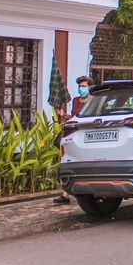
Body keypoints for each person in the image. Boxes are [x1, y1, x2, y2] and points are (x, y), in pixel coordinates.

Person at [52, 75, 94, 205]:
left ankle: (71, 192)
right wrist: (64, 116)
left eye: (83, 86)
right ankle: (66, 193)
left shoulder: (93, 100)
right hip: (75, 133)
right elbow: (74, 116)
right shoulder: (76, 100)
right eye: (80, 86)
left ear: (89, 87)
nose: (81, 88)